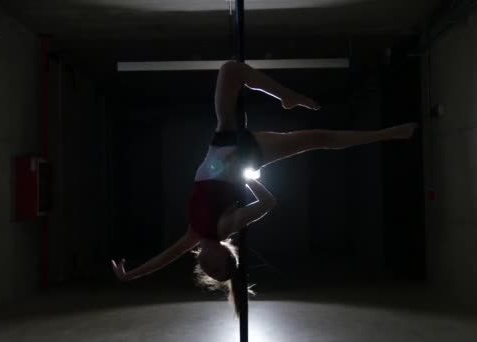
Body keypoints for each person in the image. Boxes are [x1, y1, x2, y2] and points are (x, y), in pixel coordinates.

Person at [111, 61, 417, 316]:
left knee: (231, 69)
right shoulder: (224, 226)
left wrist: (131, 275)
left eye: (211, 273)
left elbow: (164, 258)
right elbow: (268, 203)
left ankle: (286, 97)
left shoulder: (194, 235)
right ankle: (388, 133)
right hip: (245, 153)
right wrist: (247, 176)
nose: (211, 267)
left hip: (222, 141)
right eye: (220, 268)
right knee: (319, 138)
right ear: (227, 255)